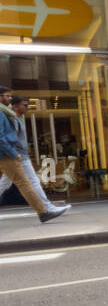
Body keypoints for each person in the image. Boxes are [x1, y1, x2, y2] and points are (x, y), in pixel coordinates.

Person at [0, 87, 70, 222]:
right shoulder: (5, 115)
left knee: (8, 184)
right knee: (27, 183)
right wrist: (14, 154)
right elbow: (2, 137)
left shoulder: (7, 114)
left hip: (9, 155)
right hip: (10, 155)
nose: (9, 98)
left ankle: (45, 211)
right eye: (7, 96)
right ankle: (45, 210)